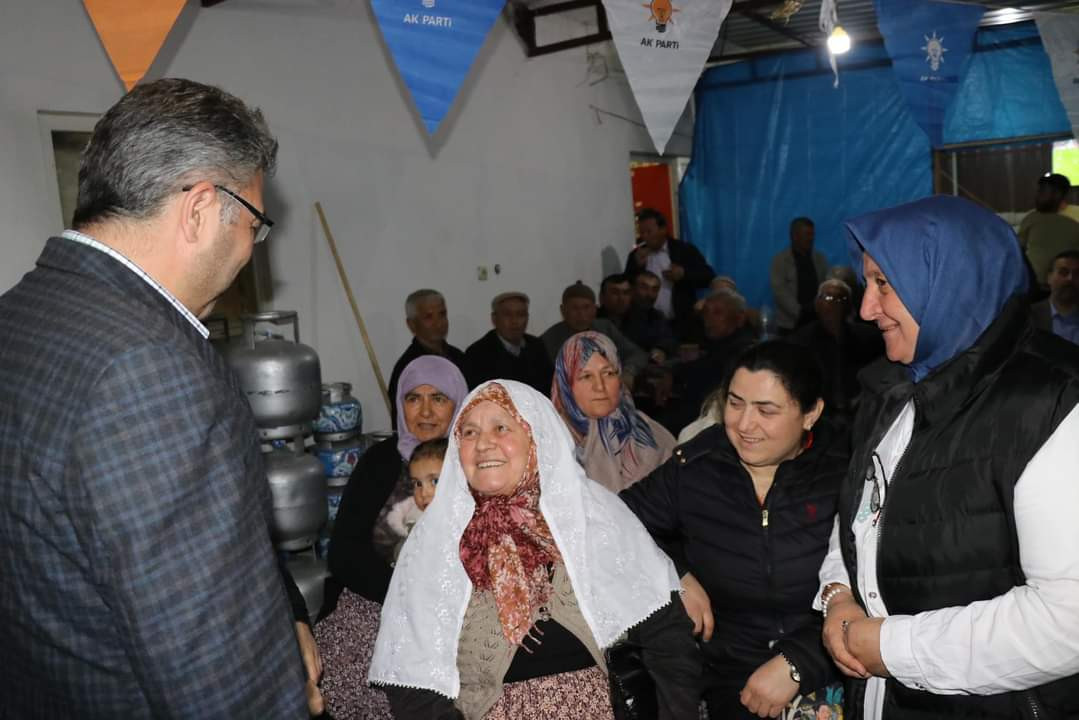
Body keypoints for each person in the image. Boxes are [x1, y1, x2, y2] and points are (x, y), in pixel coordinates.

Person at [0, 78, 308, 717]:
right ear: (200, 210)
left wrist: (282, 621)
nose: (250, 251)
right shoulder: (150, 372)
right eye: (253, 225)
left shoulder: (19, 316)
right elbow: (222, 686)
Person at [816, 195, 1079, 719]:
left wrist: (891, 646)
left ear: (952, 280)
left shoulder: (1052, 403)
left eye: (884, 284)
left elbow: (1067, 618)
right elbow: (861, 517)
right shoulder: (894, 389)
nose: (866, 309)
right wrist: (839, 593)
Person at [369, 380, 702, 720]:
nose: (483, 444)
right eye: (469, 433)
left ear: (537, 438)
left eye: (501, 428)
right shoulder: (435, 540)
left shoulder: (592, 516)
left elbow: (668, 639)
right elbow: (412, 682)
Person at [621, 341, 847, 719]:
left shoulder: (844, 470)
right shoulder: (698, 466)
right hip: (728, 674)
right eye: (735, 403)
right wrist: (675, 574)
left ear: (811, 413)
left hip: (829, 661)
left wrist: (799, 662)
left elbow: (879, 584)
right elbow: (617, 520)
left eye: (766, 410)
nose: (744, 424)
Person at [316, 437, 449, 720]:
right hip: (382, 597)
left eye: (434, 481)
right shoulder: (380, 461)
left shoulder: (460, 516)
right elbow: (344, 554)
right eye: (416, 484)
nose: (424, 492)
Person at [327, 355, 468, 606]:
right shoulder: (379, 461)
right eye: (413, 398)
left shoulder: (471, 463)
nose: (425, 411)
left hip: (455, 606)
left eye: (438, 398)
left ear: (459, 404)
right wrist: (406, 597)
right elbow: (344, 552)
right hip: (376, 602)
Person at [550, 331, 676, 492]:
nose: (600, 386)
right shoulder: (548, 442)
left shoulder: (650, 438)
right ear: (566, 386)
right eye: (586, 376)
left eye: (608, 373)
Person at [790, 279, 883, 425]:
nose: (833, 303)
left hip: (860, 414)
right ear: (817, 304)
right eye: (827, 297)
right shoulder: (800, 341)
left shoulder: (870, 339)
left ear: (849, 306)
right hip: (818, 417)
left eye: (840, 298)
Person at [624, 208, 716, 339]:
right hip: (647, 325)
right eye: (642, 232)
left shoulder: (683, 250)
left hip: (681, 324)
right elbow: (628, 285)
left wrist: (684, 274)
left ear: (663, 230)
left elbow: (708, 276)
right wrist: (637, 266)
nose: (644, 237)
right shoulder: (637, 255)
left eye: (649, 231)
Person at [387, 289, 469, 428]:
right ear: (412, 324)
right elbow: (403, 423)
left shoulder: (458, 357)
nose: (439, 323)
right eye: (429, 317)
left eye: (442, 314)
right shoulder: (409, 367)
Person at [540, 281, 648, 380]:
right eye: (575, 308)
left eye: (586, 308)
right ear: (563, 311)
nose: (581, 314)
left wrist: (629, 372)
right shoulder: (550, 339)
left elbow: (637, 354)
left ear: (595, 309)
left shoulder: (605, 328)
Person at [464, 291, 553, 394]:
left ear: (527, 318)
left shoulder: (537, 346)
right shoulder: (478, 354)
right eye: (507, 315)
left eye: (520, 315)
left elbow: (550, 388)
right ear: (494, 319)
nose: (514, 321)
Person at [1018, 173, 1079, 294]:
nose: (1037, 196)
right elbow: (1019, 251)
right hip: (1034, 288)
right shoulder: (1031, 218)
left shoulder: (1076, 216)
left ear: (1058, 194)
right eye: (1038, 192)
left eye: (1042, 192)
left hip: (1069, 287)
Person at [771, 217, 829, 334]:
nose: (811, 238)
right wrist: (800, 312)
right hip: (789, 325)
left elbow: (825, 285)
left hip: (817, 322)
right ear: (794, 236)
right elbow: (780, 292)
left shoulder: (820, 259)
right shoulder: (780, 261)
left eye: (812, 234)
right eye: (807, 234)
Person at [623, 270, 678, 360]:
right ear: (632, 289)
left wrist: (661, 350)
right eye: (644, 288)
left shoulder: (657, 316)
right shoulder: (620, 313)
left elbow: (668, 340)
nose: (650, 294)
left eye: (655, 289)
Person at [1031, 250, 1079, 345]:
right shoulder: (1029, 316)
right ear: (1049, 277)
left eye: (1077, 274)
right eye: (1063, 272)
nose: (1070, 278)